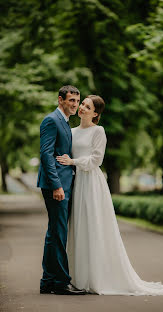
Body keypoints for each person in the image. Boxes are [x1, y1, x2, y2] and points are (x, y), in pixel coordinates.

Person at [56, 95, 163, 296]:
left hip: (91, 183)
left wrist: (73, 162)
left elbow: (96, 160)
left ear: (96, 113)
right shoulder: (71, 132)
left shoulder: (98, 131)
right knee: (78, 227)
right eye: (82, 104)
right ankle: (79, 278)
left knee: (93, 226)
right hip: (76, 182)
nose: (82, 107)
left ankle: (96, 277)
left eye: (87, 106)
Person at [37, 85, 86, 295]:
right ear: (60, 100)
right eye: (71, 100)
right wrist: (57, 185)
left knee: (54, 232)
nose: (75, 104)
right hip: (55, 185)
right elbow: (46, 154)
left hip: (64, 183)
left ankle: (48, 281)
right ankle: (61, 282)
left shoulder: (66, 122)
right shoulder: (51, 120)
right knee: (59, 233)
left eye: (77, 101)